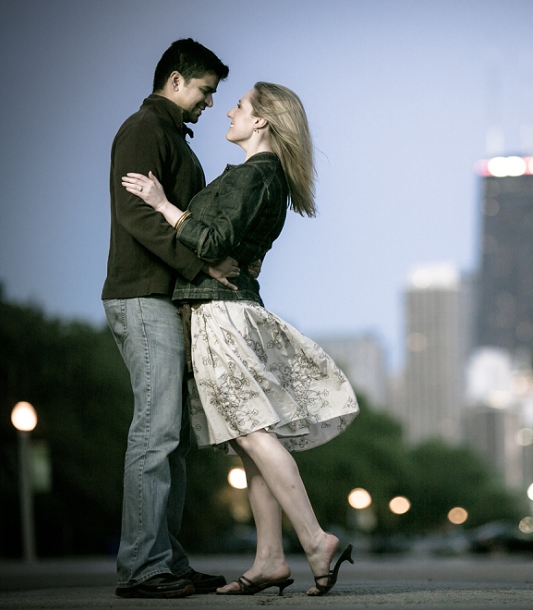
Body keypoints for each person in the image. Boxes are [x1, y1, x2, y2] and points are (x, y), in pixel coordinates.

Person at [122, 81, 359, 597]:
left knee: (252, 433)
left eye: (240, 106)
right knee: (248, 440)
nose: (226, 111)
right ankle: (270, 559)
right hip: (234, 310)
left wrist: (163, 203)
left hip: (220, 315)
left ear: (262, 122)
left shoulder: (255, 175)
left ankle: (316, 540)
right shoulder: (267, 177)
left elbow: (208, 240)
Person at [102, 39, 234, 599]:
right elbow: (136, 214)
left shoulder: (171, 136)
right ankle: (141, 567)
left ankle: (168, 562)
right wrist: (201, 269)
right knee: (155, 432)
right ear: (175, 81)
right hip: (142, 296)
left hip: (164, 298)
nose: (208, 102)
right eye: (205, 91)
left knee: (173, 438)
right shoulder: (143, 130)